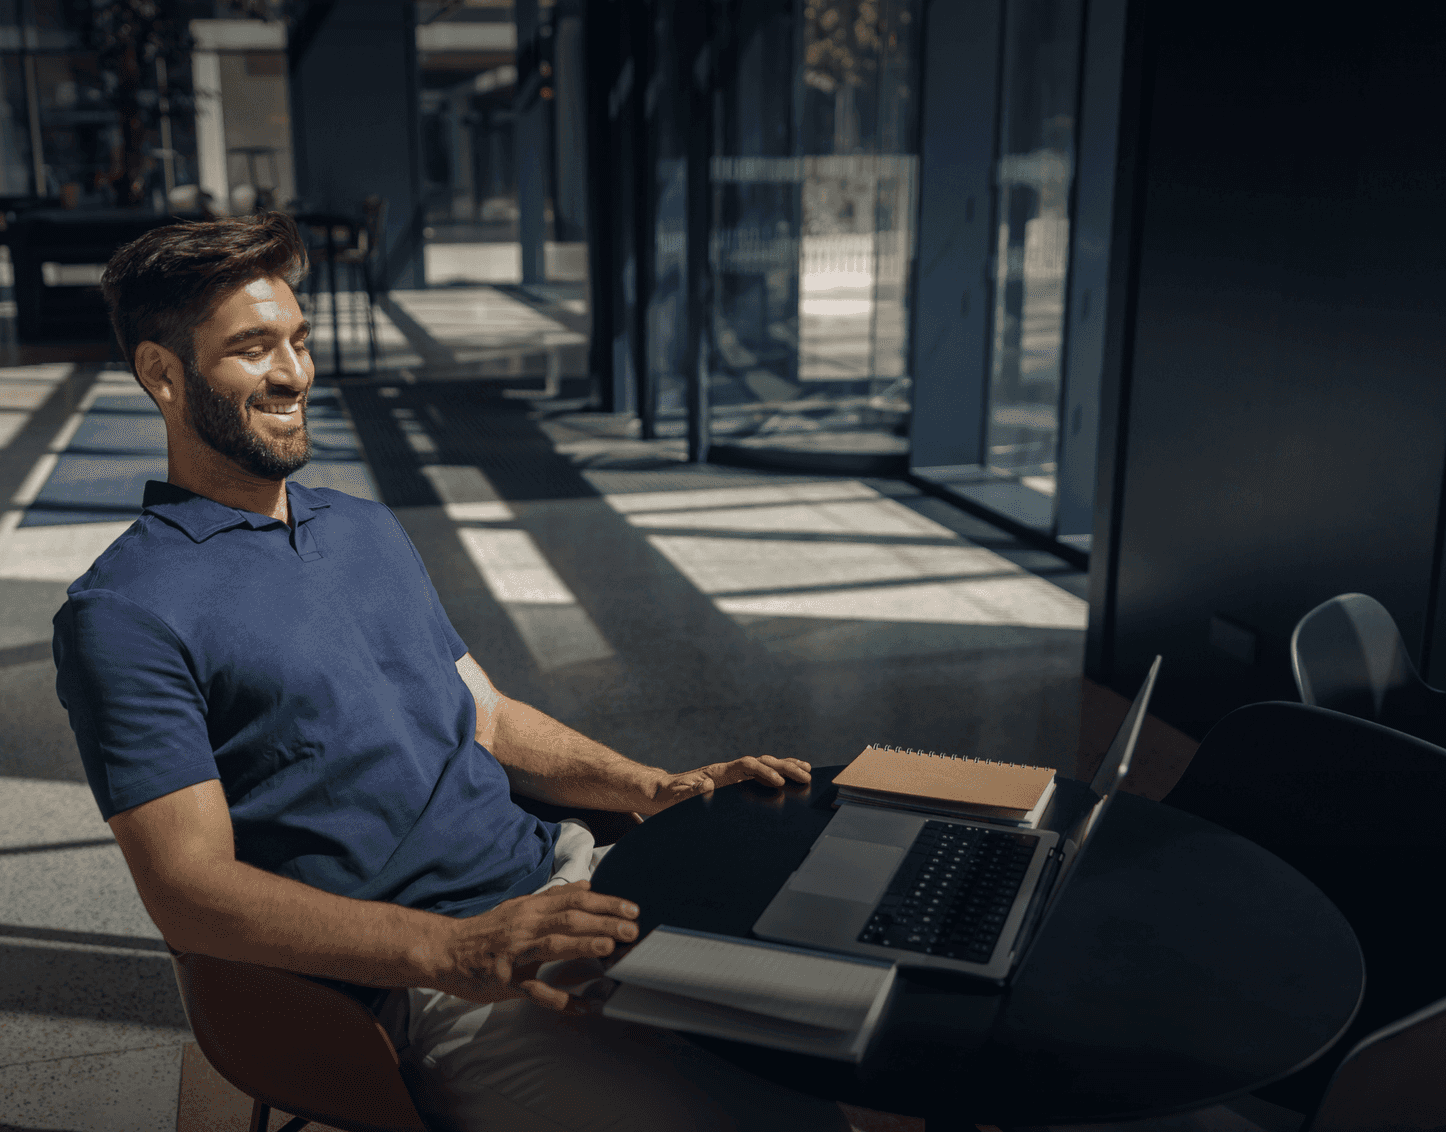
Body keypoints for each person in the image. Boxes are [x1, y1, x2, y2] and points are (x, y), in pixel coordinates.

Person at [50, 214, 854, 1132]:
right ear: (162, 373)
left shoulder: (360, 529)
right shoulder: (126, 612)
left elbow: (490, 719)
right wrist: (456, 950)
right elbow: (189, 892)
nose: (295, 374)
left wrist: (654, 787)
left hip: (575, 880)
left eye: (300, 341)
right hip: (427, 984)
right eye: (252, 349)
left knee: (833, 1028)